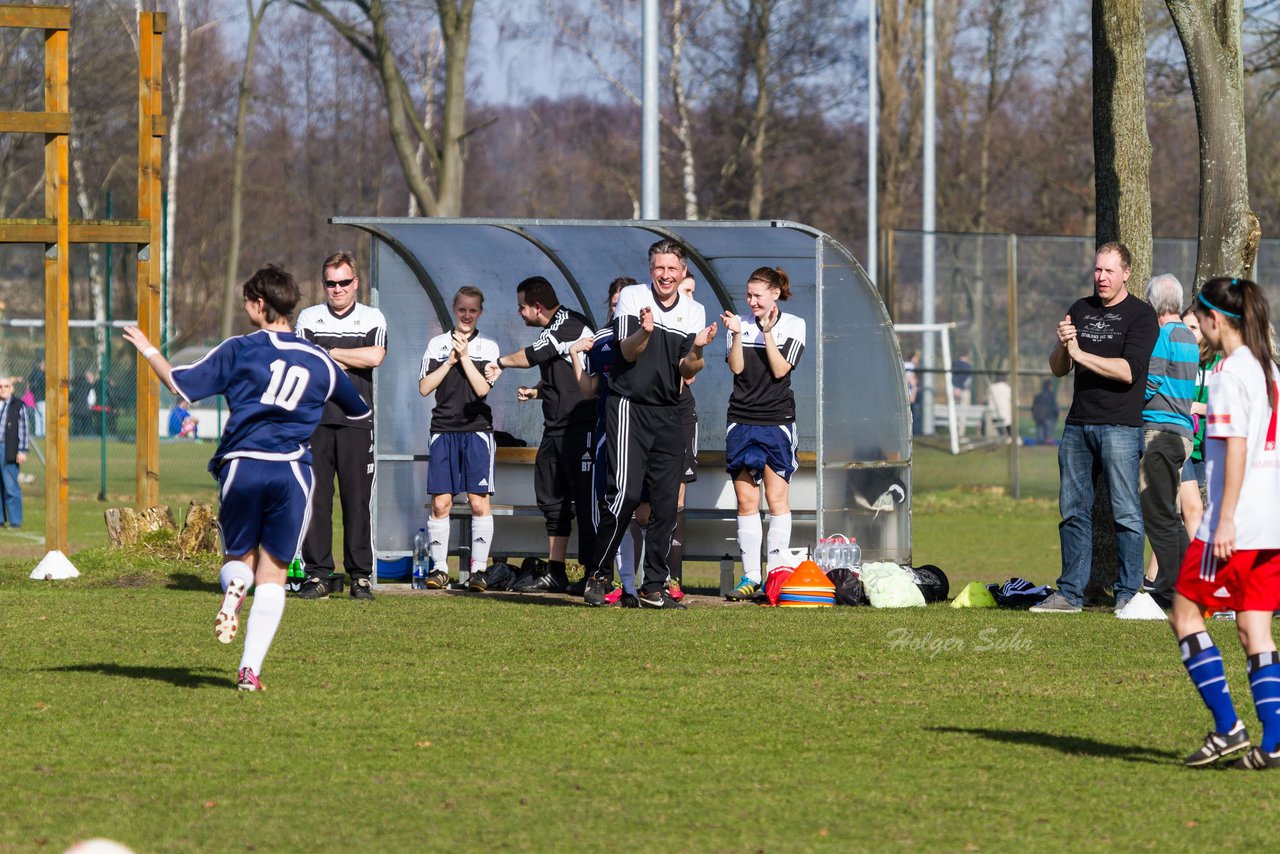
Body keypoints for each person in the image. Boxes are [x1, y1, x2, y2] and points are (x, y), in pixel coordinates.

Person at [123, 264, 370, 691]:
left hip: (243, 464)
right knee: (274, 575)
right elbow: (359, 410)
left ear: (259, 305)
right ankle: (248, 672)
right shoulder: (321, 361)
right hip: (292, 470)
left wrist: (148, 348)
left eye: (246, 301)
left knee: (237, 561)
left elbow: (181, 384)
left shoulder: (239, 348)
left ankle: (236, 584)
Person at [1167, 276, 1280, 770]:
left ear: (1215, 320)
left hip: (1234, 525)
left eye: (1201, 322)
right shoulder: (1270, 369)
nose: (1200, 333)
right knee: (1255, 627)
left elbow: (1235, 448)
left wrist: (1226, 517)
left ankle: (1229, 727)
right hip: (1272, 523)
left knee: (1185, 614)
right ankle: (1274, 744)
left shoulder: (1232, 373)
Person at [583, 239, 717, 609]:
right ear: (650, 269)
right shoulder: (632, 297)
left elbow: (687, 371)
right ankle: (598, 573)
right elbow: (627, 352)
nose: (666, 275)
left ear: (683, 272)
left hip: (669, 411)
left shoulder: (694, 310)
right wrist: (645, 330)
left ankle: (653, 584)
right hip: (629, 406)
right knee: (624, 494)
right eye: (660, 268)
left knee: (664, 502)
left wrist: (700, 347)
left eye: (672, 268)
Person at [1031, 242, 1158, 614]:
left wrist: (1081, 353)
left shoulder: (1141, 315)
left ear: (1126, 274)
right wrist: (1063, 345)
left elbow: (1129, 371)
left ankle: (1128, 595)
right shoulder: (1080, 309)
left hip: (1120, 426)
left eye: (1109, 271)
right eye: (1097, 270)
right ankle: (1070, 593)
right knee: (1072, 510)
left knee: (1126, 512)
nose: (1101, 278)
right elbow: (1059, 367)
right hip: (1077, 426)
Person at [490, 276, 595, 594]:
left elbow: (534, 355)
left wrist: (500, 363)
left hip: (582, 426)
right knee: (551, 500)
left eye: (521, 307)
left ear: (537, 307)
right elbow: (558, 370)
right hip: (555, 428)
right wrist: (536, 392)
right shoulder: (552, 330)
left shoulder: (570, 324)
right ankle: (556, 572)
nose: (519, 313)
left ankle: (594, 575)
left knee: (587, 503)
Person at [294, 250, 387, 601]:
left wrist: (329, 352)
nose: (337, 290)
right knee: (316, 500)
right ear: (323, 285)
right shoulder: (308, 317)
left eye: (343, 283)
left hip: (357, 422)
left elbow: (375, 357)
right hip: (315, 421)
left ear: (355, 283)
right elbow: (306, 361)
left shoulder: (371, 317)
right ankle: (317, 575)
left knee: (357, 500)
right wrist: (348, 356)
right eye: (331, 284)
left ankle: (360, 576)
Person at [720, 267, 806, 601]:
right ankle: (751, 576)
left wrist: (768, 332)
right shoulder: (737, 323)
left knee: (776, 499)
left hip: (777, 422)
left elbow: (781, 369)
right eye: (749, 294)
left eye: (758, 295)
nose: (751, 301)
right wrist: (739, 333)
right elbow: (737, 368)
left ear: (774, 294)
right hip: (741, 421)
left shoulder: (794, 325)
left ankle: (777, 574)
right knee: (746, 500)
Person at [417, 286, 500, 591]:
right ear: (454, 310)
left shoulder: (489, 347)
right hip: (442, 430)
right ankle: (440, 569)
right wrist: (450, 361)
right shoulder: (436, 345)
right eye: (462, 309)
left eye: (473, 310)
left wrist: (464, 357)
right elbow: (425, 387)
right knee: (441, 503)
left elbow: (482, 390)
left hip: (476, 431)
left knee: (479, 502)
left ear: (480, 312)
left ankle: (478, 571)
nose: (467, 315)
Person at [570, 277, 641, 606]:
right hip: (608, 430)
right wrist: (574, 354)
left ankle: (649, 583)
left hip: (647, 429)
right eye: (614, 302)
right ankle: (611, 581)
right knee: (612, 507)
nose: (618, 308)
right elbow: (589, 390)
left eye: (623, 302)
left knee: (646, 510)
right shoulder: (600, 339)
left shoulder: (651, 334)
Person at [1139, 274, 1198, 610]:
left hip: (1160, 433)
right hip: (1183, 435)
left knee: (1158, 514)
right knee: (1171, 513)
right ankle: (1179, 583)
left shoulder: (1164, 335)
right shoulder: (1189, 337)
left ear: (1154, 304)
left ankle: (1180, 589)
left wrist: (1131, 406)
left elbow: (1152, 382)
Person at [0, 376, 30, 528]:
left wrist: (22, 450)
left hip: (9, 449)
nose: (3, 389)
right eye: (0, 386)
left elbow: (24, 431)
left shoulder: (18, 405)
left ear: (11, 388)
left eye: (6, 386)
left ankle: (15, 521)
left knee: (10, 486)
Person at [1032, 379, 1060, 444]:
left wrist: (1035, 416)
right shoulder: (1051, 396)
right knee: (1047, 438)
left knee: (1040, 438)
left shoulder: (1038, 396)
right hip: (1048, 418)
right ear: (1049, 386)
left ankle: (1039, 448)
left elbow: (1033, 408)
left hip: (1038, 418)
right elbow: (1055, 408)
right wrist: (1056, 416)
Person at [986, 374, 1013, 440]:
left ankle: (1004, 436)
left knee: (1001, 422)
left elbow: (988, 400)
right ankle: (1008, 437)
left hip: (993, 414)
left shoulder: (991, 387)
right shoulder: (1007, 388)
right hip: (1005, 416)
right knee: (1007, 421)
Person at [904, 350, 922, 436]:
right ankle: (914, 432)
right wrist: (913, 385)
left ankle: (915, 432)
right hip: (910, 393)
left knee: (914, 412)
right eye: (916, 358)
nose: (917, 360)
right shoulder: (908, 365)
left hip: (913, 392)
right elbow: (910, 379)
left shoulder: (914, 366)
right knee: (912, 412)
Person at [26, 357, 45, 437]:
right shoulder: (41, 375)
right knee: (43, 416)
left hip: (36, 398)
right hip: (42, 398)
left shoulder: (35, 373)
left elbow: (29, 385)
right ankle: (43, 433)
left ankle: (38, 433)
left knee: (37, 416)